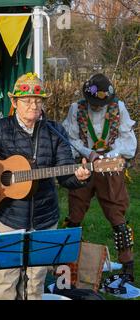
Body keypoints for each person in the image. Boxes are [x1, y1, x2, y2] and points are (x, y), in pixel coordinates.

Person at [0, 72, 91, 300]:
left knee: (35, 285)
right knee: (4, 282)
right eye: (27, 100)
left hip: (44, 217)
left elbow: (65, 176)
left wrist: (81, 177)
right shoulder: (1, 129)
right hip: (7, 216)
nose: (33, 105)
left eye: (38, 100)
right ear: (14, 102)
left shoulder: (55, 132)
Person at [62, 73, 136, 281]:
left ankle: (127, 266)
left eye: (99, 103)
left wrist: (108, 157)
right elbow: (70, 139)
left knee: (116, 213)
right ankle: (69, 262)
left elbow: (128, 143)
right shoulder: (76, 109)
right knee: (75, 212)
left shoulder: (118, 108)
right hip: (83, 165)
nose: (95, 107)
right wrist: (89, 154)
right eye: (92, 103)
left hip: (110, 168)